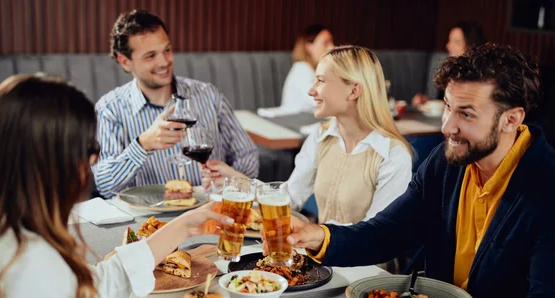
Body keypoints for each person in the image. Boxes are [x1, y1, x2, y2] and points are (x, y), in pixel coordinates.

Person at [269, 44, 555, 298]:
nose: (446, 126)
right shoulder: (447, 163)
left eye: (466, 114)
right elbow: (387, 232)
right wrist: (318, 235)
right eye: (447, 106)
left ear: (511, 119)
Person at [0, 74, 284, 298]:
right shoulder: (27, 266)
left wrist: (182, 226)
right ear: (46, 163)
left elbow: (86, 290)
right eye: (87, 148)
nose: (94, 158)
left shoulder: (4, 234)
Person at [207, 46, 413, 224]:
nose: (311, 91)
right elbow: (290, 197)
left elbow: (378, 235)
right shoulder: (321, 136)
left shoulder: (393, 155)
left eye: (321, 81)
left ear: (353, 91)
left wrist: (315, 236)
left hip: (370, 269)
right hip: (324, 260)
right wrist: (235, 178)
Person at [92, 10, 259, 198]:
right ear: (125, 62)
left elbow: (247, 155)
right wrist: (143, 145)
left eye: (167, 50)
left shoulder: (208, 95)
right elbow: (105, 185)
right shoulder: (109, 109)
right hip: (150, 222)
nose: (164, 61)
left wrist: (231, 184)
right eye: (150, 56)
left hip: (209, 212)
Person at [257, 24, 334, 117]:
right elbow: (318, 100)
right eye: (326, 43)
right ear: (309, 46)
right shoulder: (301, 69)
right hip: (293, 120)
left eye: (331, 42)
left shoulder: (314, 70)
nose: (332, 47)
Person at [412, 21, 486, 106]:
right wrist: (427, 101)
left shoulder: (480, 77)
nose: (448, 46)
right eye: (450, 41)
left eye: (456, 42)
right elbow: (442, 101)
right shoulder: (450, 70)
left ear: (472, 45)